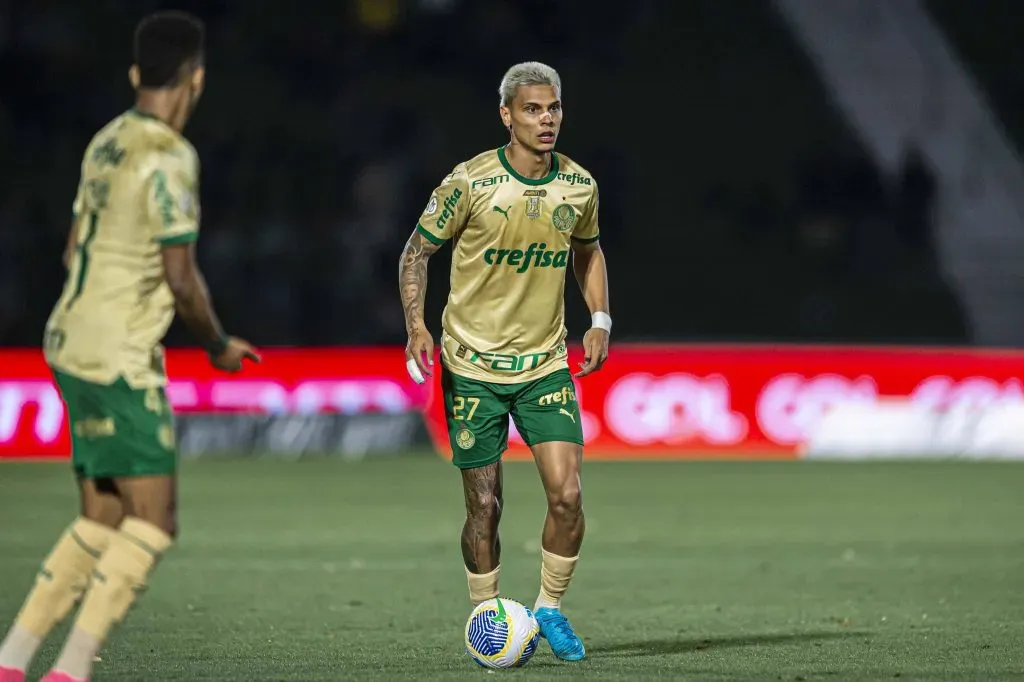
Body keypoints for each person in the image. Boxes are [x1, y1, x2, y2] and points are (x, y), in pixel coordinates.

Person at [0, 12, 258, 682]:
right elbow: (181, 277)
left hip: (67, 339)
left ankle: (12, 660)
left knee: (103, 515)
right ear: (195, 79)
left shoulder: (106, 141)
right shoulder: (169, 155)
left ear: (136, 74)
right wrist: (219, 344)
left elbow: (70, 248)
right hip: (117, 353)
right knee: (154, 521)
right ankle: (73, 670)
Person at [398, 61, 611, 662]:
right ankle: (488, 616)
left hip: (544, 363)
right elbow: (416, 253)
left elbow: (589, 255)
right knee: (484, 507)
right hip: (472, 366)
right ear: (506, 115)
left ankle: (548, 609)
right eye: (533, 110)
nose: (546, 120)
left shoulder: (579, 187)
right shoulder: (470, 183)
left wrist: (599, 321)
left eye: (554, 109)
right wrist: (416, 324)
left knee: (567, 496)